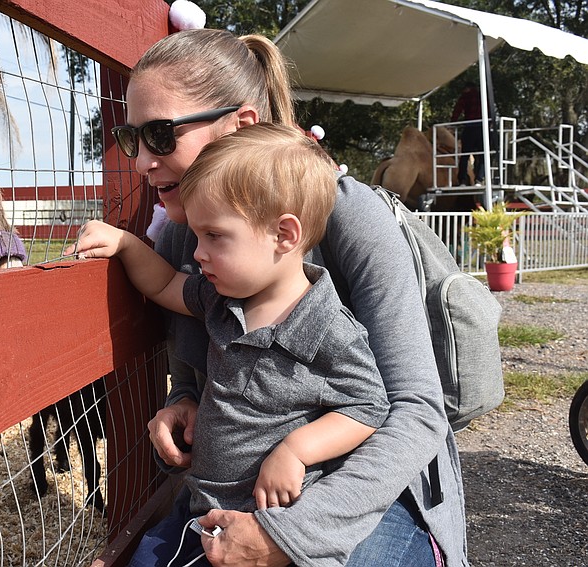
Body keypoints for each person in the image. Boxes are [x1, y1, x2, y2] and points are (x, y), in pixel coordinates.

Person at [99, 28, 466, 567]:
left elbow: (415, 410)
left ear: (240, 124)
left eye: (160, 135)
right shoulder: (186, 235)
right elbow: (199, 363)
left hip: (365, 486)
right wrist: (183, 403)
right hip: (238, 492)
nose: (141, 163)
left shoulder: (350, 217)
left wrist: (286, 537)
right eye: (132, 139)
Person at [72, 123, 391, 566]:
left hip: (270, 523)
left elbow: (368, 407)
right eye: (198, 236)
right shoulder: (221, 300)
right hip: (201, 512)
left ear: (284, 235)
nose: (198, 253)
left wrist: (295, 451)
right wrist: (125, 243)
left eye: (215, 236)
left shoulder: (328, 328)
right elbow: (165, 282)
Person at [452, 82, 485, 185]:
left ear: (467, 88)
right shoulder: (483, 95)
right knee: (482, 155)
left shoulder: (465, 96)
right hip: (482, 128)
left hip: (469, 127)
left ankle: (462, 179)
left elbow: (458, 110)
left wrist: (453, 122)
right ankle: (479, 179)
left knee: (465, 155)